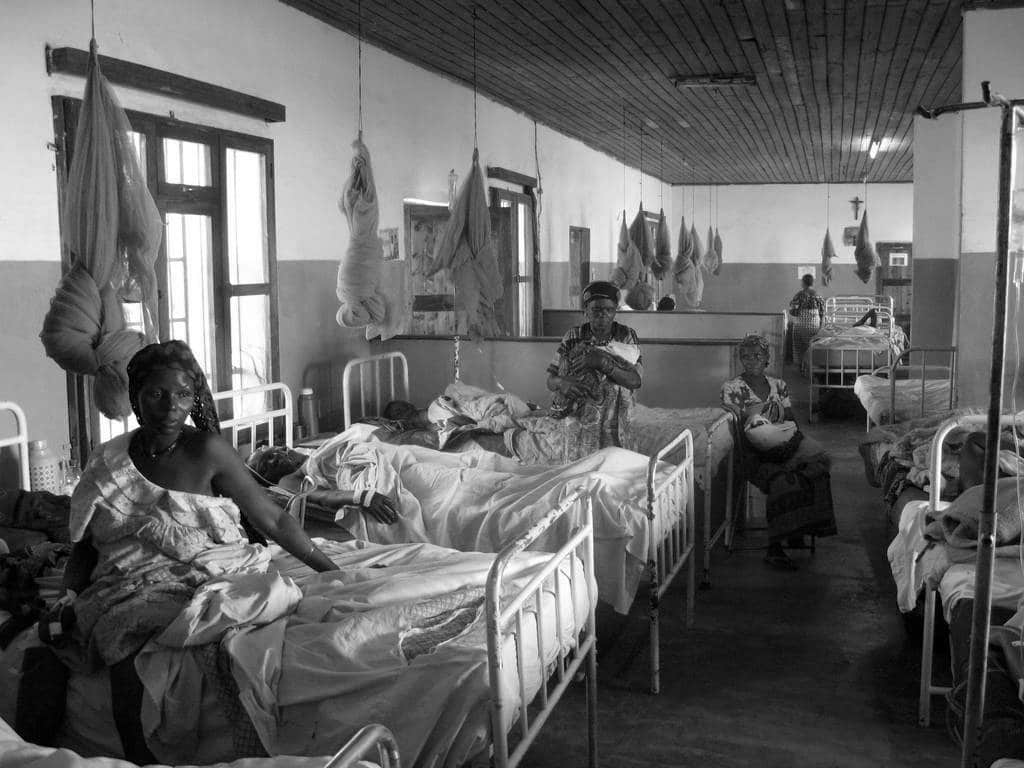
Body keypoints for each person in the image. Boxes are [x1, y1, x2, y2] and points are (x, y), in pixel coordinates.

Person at [48, 340, 396, 763]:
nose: (171, 406)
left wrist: (329, 570)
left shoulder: (207, 450)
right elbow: (85, 542)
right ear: (136, 397)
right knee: (121, 653)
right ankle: (137, 758)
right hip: (130, 583)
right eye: (157, 393)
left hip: (214, 571)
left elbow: (274, 520)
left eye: (182, 394)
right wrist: (68, 594)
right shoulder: (109, 461)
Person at [721, 334, 837, 570]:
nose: (751, 360)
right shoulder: (732, 388)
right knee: (783, 480)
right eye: (745, 356)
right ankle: (775, 547)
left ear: (767, 358)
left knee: (818, 468)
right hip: (754, 453)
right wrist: (760, 422)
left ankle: (800, 527)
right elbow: (740, 430)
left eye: (757, 355)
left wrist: (790, 442)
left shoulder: (779, 386)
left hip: (785, 444)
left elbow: (792, 421)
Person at [543, 280, 642, 458]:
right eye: (596, 310)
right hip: (579, 416)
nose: (602, 315)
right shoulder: (573, 336)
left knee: (612, 468)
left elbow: (635, 381)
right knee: (580, 470)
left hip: (614, 417)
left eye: (609, 310)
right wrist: (562, 382)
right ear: (586, 311)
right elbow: (551, 381)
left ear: (615, 312)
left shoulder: (625, 336)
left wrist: (602, 363)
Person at [788, 273, 825, 374]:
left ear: (803, 283)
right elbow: (822, 313)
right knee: (811, 347)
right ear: (812, 283)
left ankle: (801, 368)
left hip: (801, 325)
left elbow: (793, 311)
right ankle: (811, 369)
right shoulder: (818, 296)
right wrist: (820, 326)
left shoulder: (799, 295)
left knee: (799, 347)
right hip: (814, 326)